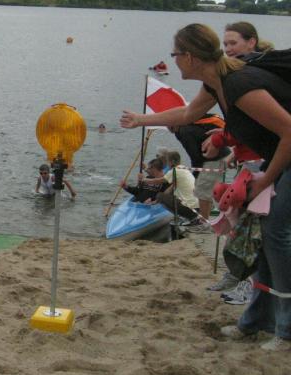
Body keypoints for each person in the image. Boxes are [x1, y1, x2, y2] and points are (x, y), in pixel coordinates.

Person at [120, 23, 291, 352]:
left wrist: (265, 179)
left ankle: (285, 330)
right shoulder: (217, 83)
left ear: (191, 57)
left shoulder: (239, 83)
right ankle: (256, 322)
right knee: (261, 235)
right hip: (279, 158)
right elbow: (188, 113)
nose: (174, 60)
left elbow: (289, 131)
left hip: (284, 157)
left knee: (276, 234)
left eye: (175, 54)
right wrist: (140, 120)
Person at [168, 114, 230, 221]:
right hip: (218, 155)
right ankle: (206, 219)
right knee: (206, 190)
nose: (168, 127)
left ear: (176, 122)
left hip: (214, 157)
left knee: (202, 191)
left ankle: (204, 222)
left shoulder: (184, 132)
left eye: (169, 124)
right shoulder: (181, 130)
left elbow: (195, 156)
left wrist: (196, 175)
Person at [139, 150, 200, 223]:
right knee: (162, 196)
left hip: (189, 208)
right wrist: (156, 202)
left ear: (172, 162)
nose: (167, 164)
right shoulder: (184, 169)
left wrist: (144, 180)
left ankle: (185, 217)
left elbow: (159, 181)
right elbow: (169, 190)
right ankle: (190, 217)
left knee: (159, 195)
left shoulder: (175, 171)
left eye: (168, 161)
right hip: (197, 208)